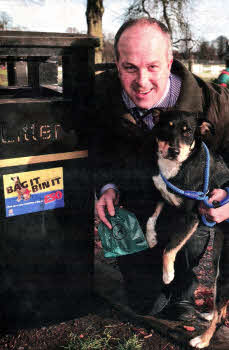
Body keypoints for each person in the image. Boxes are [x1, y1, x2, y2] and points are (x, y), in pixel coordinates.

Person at [90, 17, 229, 320]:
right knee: (146, 304)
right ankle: (148, 280)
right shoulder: (99, 97)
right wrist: (106, 186)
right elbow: (95, 149)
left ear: (169, 61)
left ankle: (183, 290)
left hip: (187, 208)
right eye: (130, 67)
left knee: (178, 293)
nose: (141, 81)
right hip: (136, 205)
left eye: (152, 66)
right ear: (116, 63)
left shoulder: (214, 104)